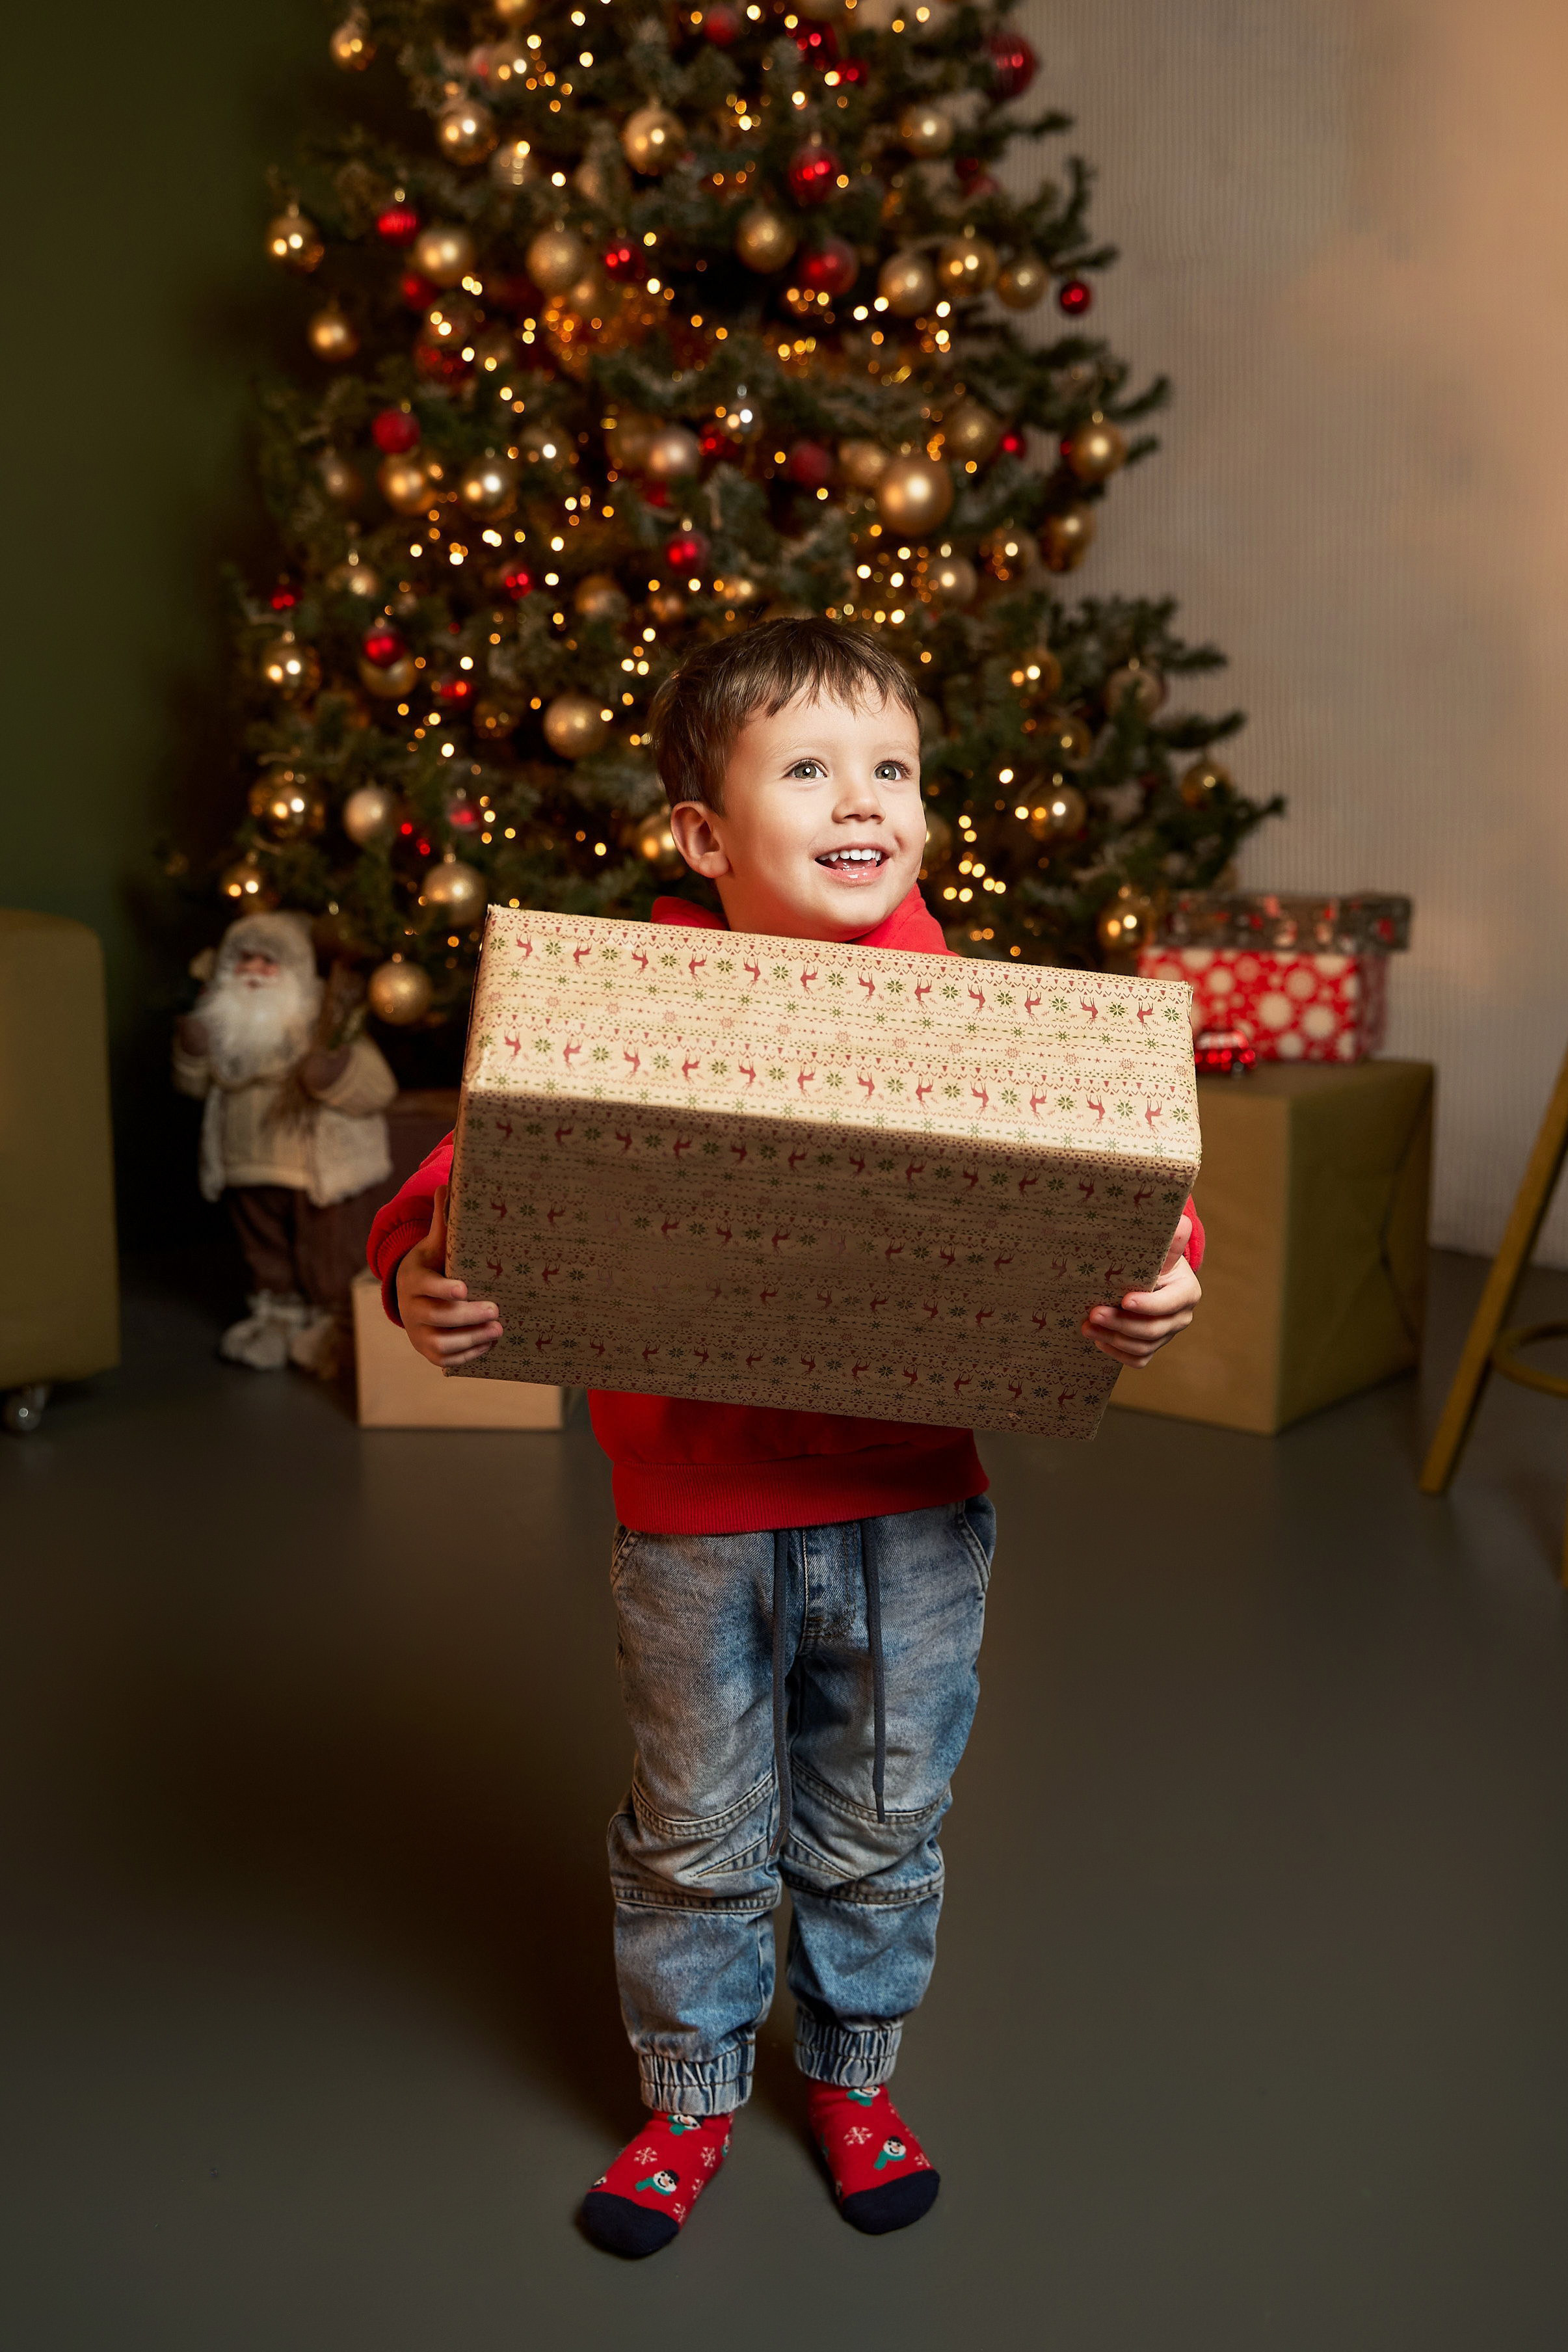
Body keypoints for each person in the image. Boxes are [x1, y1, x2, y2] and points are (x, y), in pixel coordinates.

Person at [366, 620, 1204, 2256]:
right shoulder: (625, 1000)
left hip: (913, 1515)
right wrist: (418, 1272)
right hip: (694, 1524)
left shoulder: (969, 1009)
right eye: (808, 769)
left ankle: (852, 2077)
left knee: (881, 1819)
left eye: (891, 767)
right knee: (695, 1830)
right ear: (702, 832)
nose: (862, 799)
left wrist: (1160, 1272)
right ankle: (687, 2096)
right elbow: (473, 1163)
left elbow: (1114, 1172)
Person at [175, 909, 396, 1374]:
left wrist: (335, 1073)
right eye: (244, 959)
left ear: (294, 970)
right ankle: (275, 1317)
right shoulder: (222, 1026)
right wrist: (192, 1052)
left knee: (326, 1251)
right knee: (264, 1250)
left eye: (268, 961)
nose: (254, 970)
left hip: (312, 1172)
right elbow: (194, 1085)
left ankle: (332, 1325)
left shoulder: (322, 1025)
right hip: (244, 1163)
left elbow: (378, 1087)